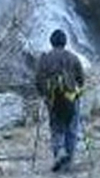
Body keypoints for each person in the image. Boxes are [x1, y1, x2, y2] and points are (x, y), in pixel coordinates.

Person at [35, 29, 85, 172]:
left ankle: (59, 153)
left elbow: (38, 80)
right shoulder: (73, 58)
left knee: (56, 128)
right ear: (65, 42)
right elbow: (81, 79)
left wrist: (44, 95)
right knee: (72, 130)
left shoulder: (44, 58)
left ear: (51, 42)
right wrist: (78, 92)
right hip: (71, 98)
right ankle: (68, 162)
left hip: (53, 99)